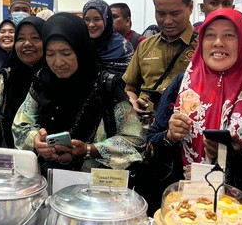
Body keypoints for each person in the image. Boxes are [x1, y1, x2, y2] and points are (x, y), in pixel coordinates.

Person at [144, 9, 242, 212]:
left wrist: (235, 152)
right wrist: (169, 136)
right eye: (210, 35)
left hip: (238, 210)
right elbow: (150, 142)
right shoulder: (183, 82)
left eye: (229, 35)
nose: (218, 42)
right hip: (182, 205)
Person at [12, 13, 145, 174]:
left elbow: (135, 140)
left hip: (95, 182)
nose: (58, 62)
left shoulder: (105, 85)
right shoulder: (43, 80)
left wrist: (89, 149)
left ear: (80, 50)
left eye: (66, 53)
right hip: (46, 179)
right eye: (50, 54)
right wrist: (35, 140)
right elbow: (21, 124)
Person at [122, 0, 199, 118]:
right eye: (161, 13)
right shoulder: (145, 46)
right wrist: (132, 102)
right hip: (147, 126)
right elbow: (129, 88)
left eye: (175, 13)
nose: (167, 21)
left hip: (186, 125)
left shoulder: (203, 48)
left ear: (190, 7)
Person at [0, 16, 45, 148]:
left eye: (35, 37)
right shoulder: (2, 80)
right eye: (20, 38)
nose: (27, 43)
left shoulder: (57, 78)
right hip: (10, 155)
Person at [83, 0, 133, 77]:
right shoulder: (80, 45)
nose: (91, 24)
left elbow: (131, 79)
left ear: (107, 20)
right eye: (87, 19)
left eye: (97, 19)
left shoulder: (123, 47)